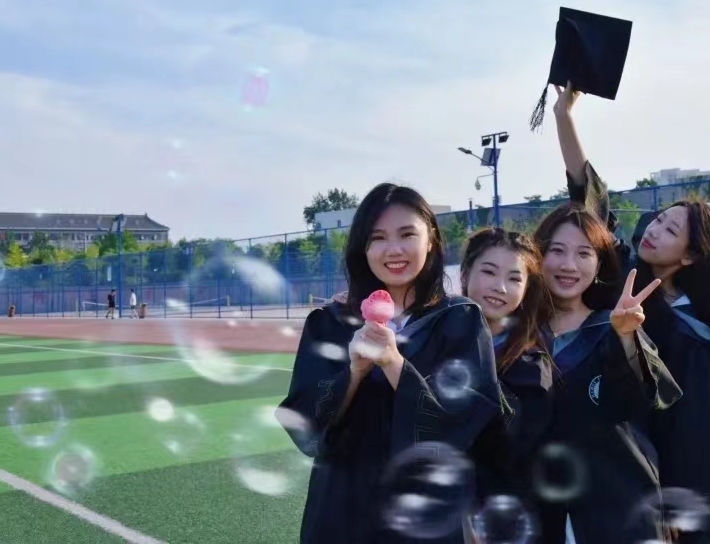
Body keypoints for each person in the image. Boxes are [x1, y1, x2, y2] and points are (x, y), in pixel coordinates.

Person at [553, 84, 710, 543]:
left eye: (671, 231)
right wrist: (563, 116)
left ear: (690, 256)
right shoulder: (617, 279)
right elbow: (591, 203)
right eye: (658, 220)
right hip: (595, 481)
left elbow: (695, 438)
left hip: (644, 487)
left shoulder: (692, 335)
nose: (654, 230)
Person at [278, 183, 503, 544]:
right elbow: (304, 421)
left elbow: (470, 423)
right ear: (363, 248)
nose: (394, 249)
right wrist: (354, 373)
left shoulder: (461, 320)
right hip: (345, 508)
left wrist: (395, 365)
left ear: (430, 240)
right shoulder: (329, 322)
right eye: (378, 237)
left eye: (407, 234)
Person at [532, 203, 681, 544]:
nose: (569, 265)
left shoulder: (612, 327)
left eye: (584, 253)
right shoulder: (518, 336)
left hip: (617, 509)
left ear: (599, 264)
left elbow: (648, 398)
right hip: (542, 512)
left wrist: (626, 337)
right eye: (557, 250)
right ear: (538, 256)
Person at [461, 229, 556, 525]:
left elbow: (509, 452)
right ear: (465, 274)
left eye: (514, 279)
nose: (500, 287)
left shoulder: (531, 368)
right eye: (489, 272)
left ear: (527, 289)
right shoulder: (437, 341)